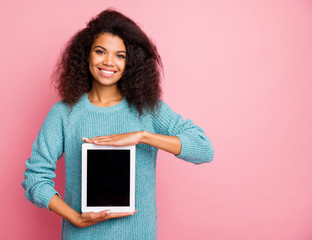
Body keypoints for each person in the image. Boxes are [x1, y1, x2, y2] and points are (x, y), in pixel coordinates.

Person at [21, 8, 214, 240]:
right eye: (100, 51)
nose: (109, 62)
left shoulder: (148, 109)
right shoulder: (65, 113)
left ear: (130, 62)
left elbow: (204, 149)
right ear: (87, 54)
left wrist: (142, 136)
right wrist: (75, 217)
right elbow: (35, 177)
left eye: (120, 55)